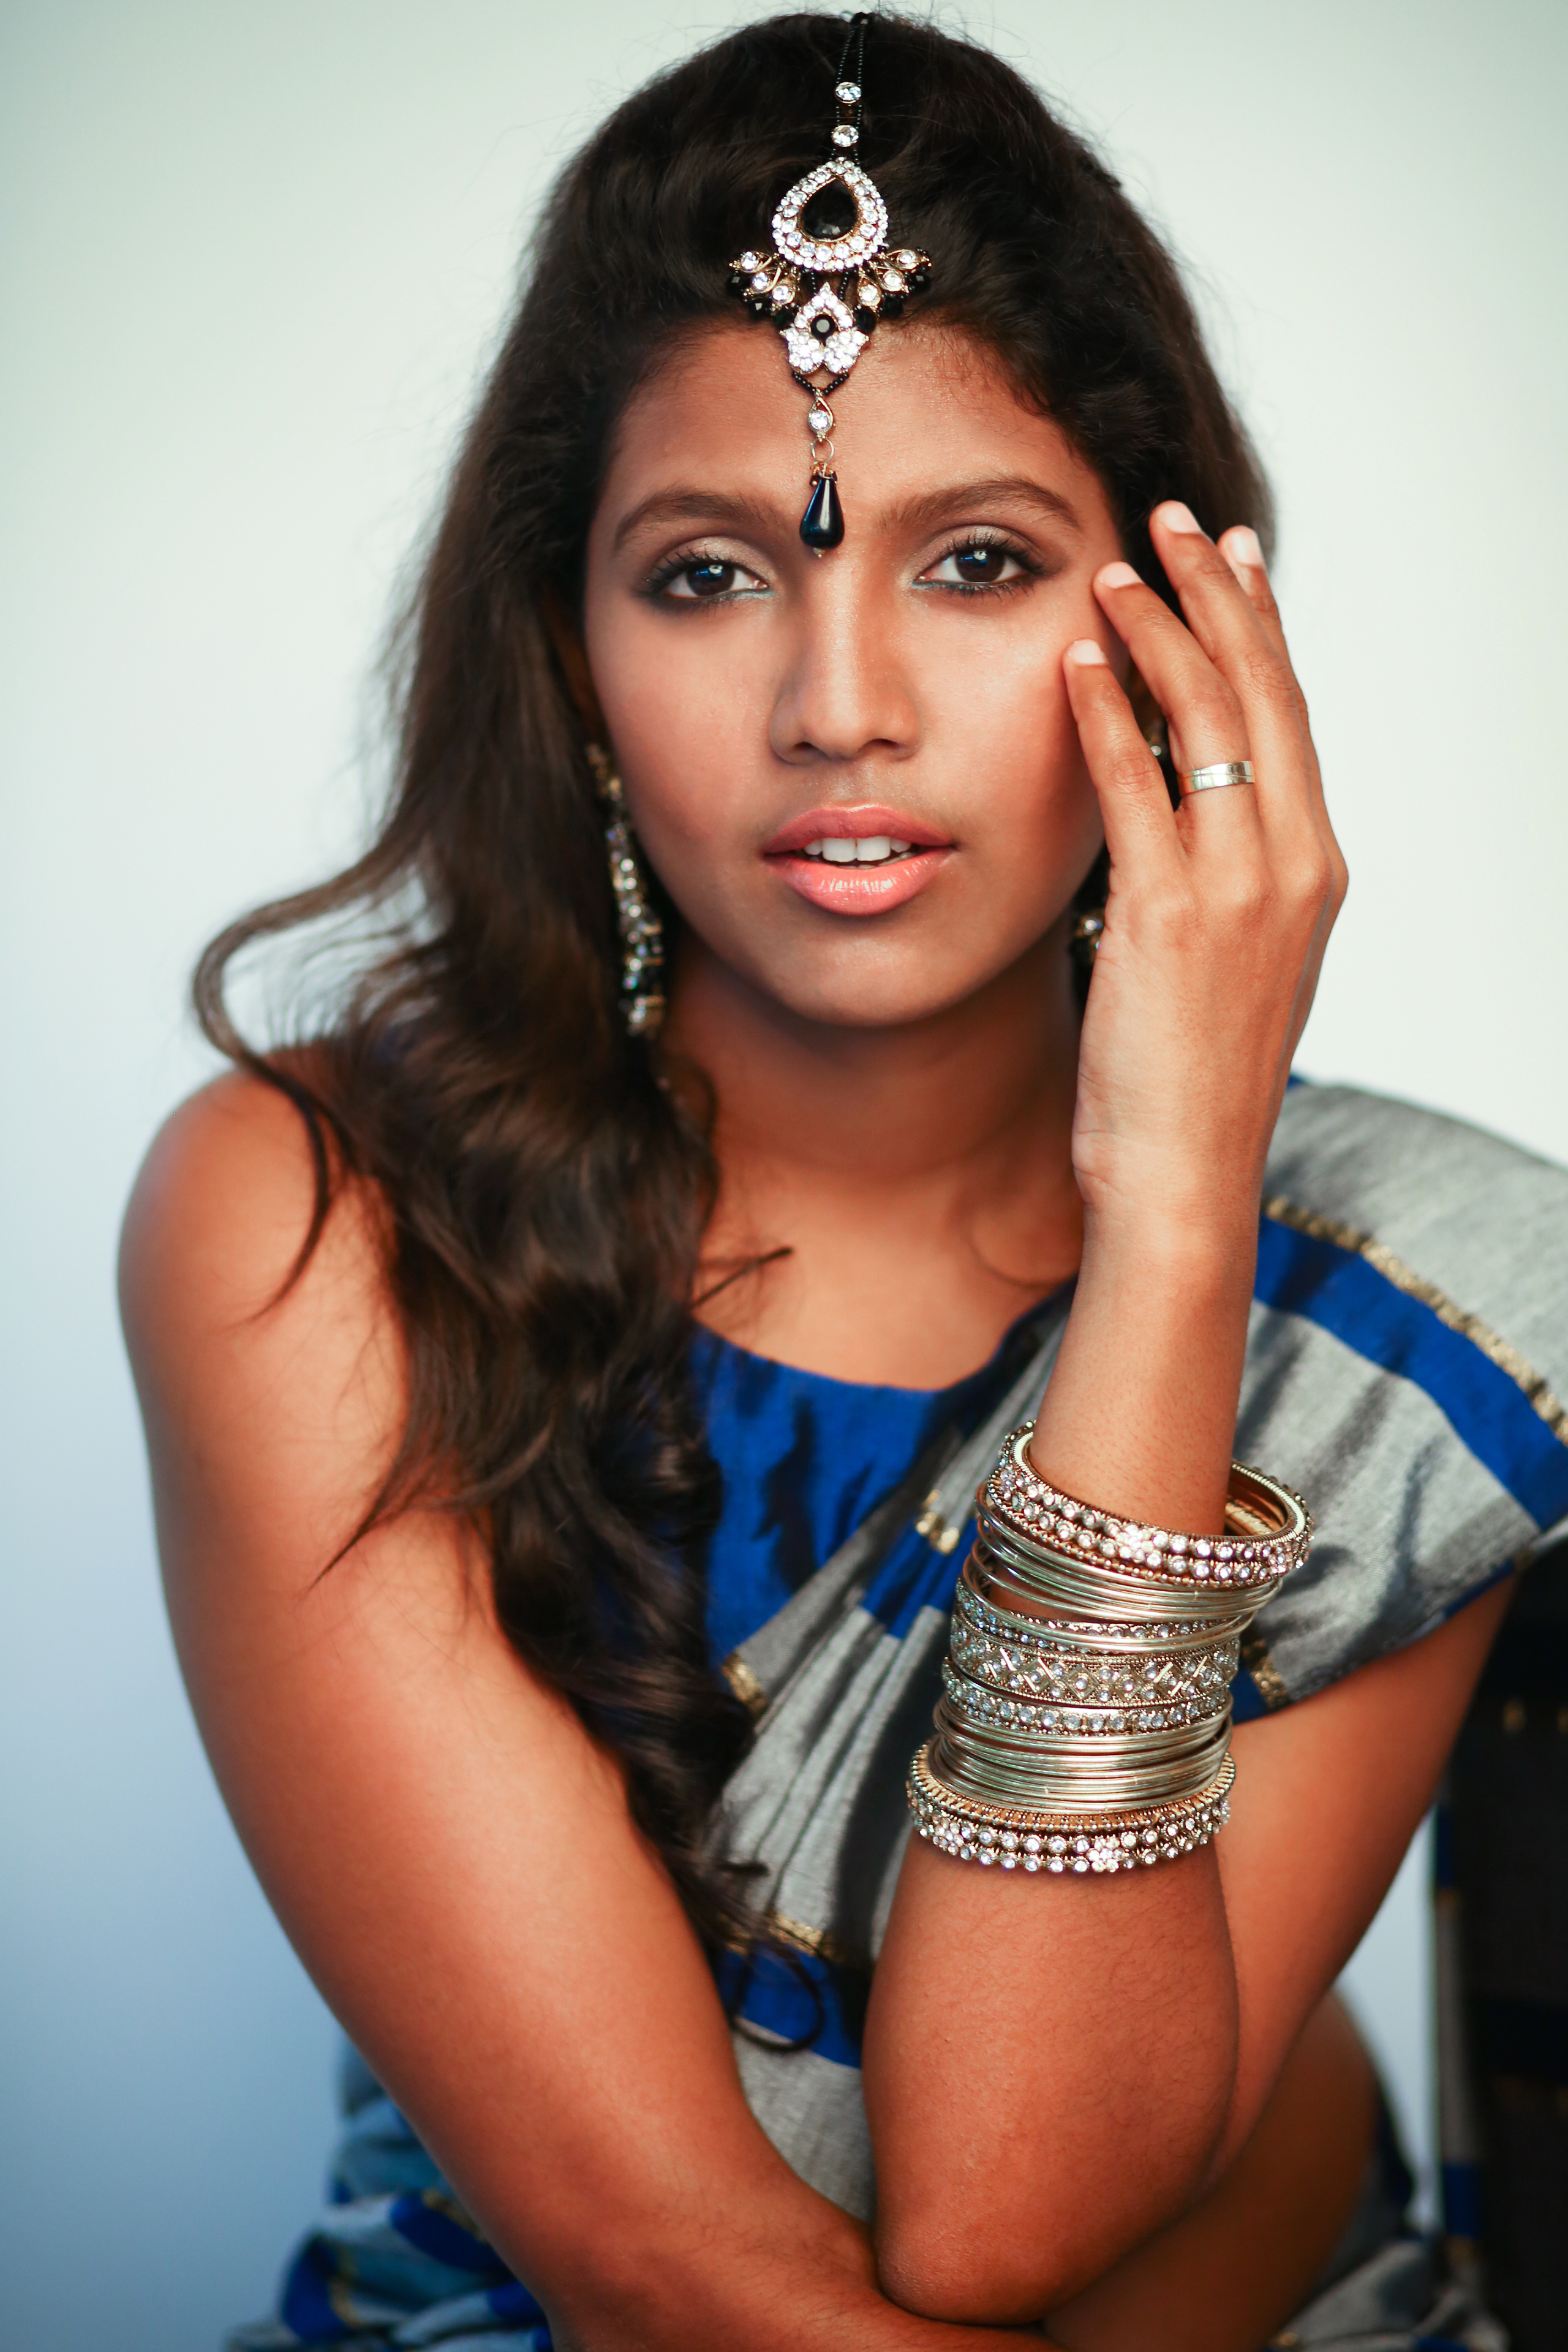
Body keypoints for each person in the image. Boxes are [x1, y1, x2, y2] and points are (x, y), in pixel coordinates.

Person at [118, 13, 1567, 2349]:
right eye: (705, 577)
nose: (836, 706)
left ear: (1189, 642)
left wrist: (1177, 1216)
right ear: (574, 659)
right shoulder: (325, 1221)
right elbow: (658, 2265)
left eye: (976, 562)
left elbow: (1013, 2200)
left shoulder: (1414, 1311)